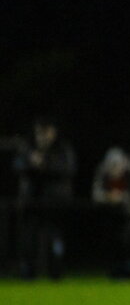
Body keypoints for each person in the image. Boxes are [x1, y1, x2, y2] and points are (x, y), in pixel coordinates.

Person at [12, 118, 75, 280]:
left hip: (55, 202)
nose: (43, 136)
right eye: (40, 131)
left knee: (54, 237)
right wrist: (30, 163)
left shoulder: (61, 149)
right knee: (29, 238)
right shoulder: (28, 148)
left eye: (46, 131)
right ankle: (28, 271)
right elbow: (17, 165)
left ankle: (56, 271)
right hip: (31, 201)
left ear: (53, 131)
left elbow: (68, 169)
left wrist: (45, 164)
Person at [92, 146, 130, 278]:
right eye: (112, 165)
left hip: (128, 215)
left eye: (118, 164)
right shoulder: (103, 172)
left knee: (126, 242)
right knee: (111, 243)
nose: (115, 168)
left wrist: (121, 197)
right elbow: (96, 194)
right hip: (109, 215)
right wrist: (108, 197)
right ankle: (114, 271)